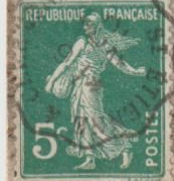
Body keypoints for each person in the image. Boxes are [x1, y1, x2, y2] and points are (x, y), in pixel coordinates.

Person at [44, 14, 146, 170]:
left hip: (91, 87)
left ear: (97, 26)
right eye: (85, 25)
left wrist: (135, 71)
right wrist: (52, 81)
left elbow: (119, 63)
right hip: (80, 85)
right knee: (81, 120)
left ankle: (124, 147)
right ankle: (89, 159)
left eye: (89, 25)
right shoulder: (83, 42)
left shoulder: (102, 45)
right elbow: (67, 63)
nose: (85, 28)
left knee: (94, 120)